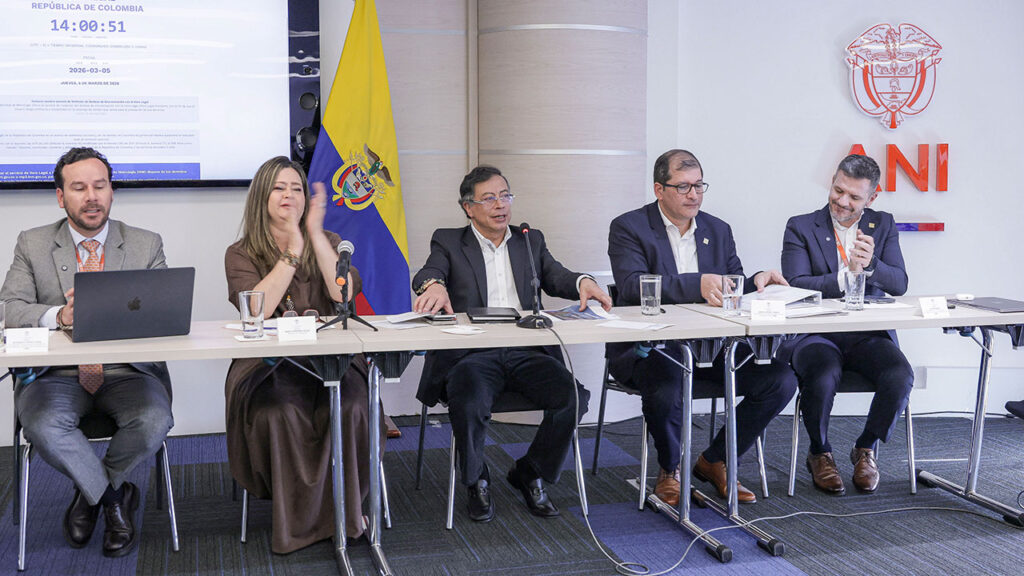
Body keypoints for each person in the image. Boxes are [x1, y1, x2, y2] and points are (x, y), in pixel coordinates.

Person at [0, 147, 174, 557]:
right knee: (42, 424)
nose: (92, 197)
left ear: (112, 191)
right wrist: (60, 315)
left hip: (126, 371)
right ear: (61, 196)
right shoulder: (33, 243)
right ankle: (114, 498)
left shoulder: (145, 243)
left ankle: (89, 492)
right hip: (56, 375)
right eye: (79, 188)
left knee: (155, 419)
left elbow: (165, 310)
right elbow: (9, 309)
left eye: (100, 186)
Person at [412, 165, 612, 522]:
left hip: (526, 352)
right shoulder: (449, 241)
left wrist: (583, 281)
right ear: (468, 207)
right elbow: (430, 272)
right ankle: (477, 479)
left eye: (505, 195)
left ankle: (530, 471)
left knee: (572, 397)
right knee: (469, 398)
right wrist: (434, 285)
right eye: (489, 198)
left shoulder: (528, 240)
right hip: (473, 355)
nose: (500, 204)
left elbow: (556, 275)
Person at [606, 149, 797, 506]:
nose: (694, 194)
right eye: (683, 187)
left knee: (780, 379)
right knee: (667, 381)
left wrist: (757, 280)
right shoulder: (629, 227)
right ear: (659, 189)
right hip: (652, 349)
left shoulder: (718, 230)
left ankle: (716, 460)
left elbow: (732, 284)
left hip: (712, 347)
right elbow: (632, 286)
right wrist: (698, 283)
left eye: (699, 185)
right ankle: (669, 469)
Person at [223, 156, 381, 553]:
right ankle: (301, 523)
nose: (289, 195)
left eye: (296, 188)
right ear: (261, 196)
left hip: (332, 360)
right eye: (279, 188)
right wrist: (292, 250)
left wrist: (312, 234)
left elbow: (343, 294)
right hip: (268, 367)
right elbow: (256, 310)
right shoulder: (240, 252)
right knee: (280, 412)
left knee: (350, 407)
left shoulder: (327, 240)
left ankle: (345, 513)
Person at [779, 153, 913, 495]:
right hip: (816, 334)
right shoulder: (801, 226)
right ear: (832, 181)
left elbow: (899, 283)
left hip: (866, 335)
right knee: (823, 375)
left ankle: (865, 447)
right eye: (838, 190)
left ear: (872, 197)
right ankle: (819, 451)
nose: (842, 201)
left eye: (854, 196)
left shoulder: (883, 224)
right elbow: (796, 284)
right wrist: (847, 276)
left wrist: (872, 265)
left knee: (900, 375)